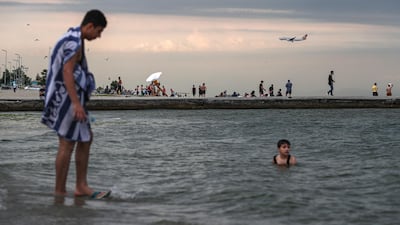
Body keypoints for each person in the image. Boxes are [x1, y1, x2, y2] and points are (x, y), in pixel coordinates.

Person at [41, 9, 110, 199]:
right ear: (89, 26)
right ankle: (60, 191)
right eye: (99, 31)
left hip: (69, 99)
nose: (99, 36)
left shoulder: (73, 37)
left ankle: (80, 186)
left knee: (85, 138)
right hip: (64, 99)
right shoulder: (73, 42)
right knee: (67, 143)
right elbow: (67, 72)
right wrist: (76, 104)